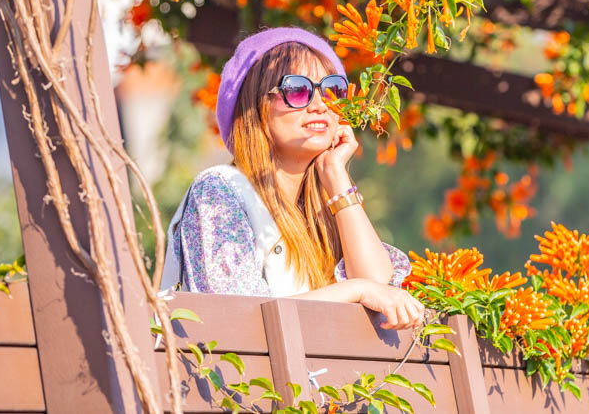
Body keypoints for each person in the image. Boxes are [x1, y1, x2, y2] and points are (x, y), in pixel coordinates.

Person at [160, 27, 424, 330]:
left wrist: (336, 176)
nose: (319, 105)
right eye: (297, 90)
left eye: (332, 90)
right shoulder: (220, 191)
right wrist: (356, 290)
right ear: (255, 108)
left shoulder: (322, 209)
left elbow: (380, 286)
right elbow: (239, 318)